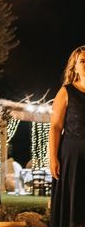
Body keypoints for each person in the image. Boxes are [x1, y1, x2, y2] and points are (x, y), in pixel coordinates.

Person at [49, 45, 85, 227]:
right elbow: (55, 127)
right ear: (75, 67)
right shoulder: (66, 92)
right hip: (72, 157)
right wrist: (53, 158)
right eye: (83, 61)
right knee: (74, 206)